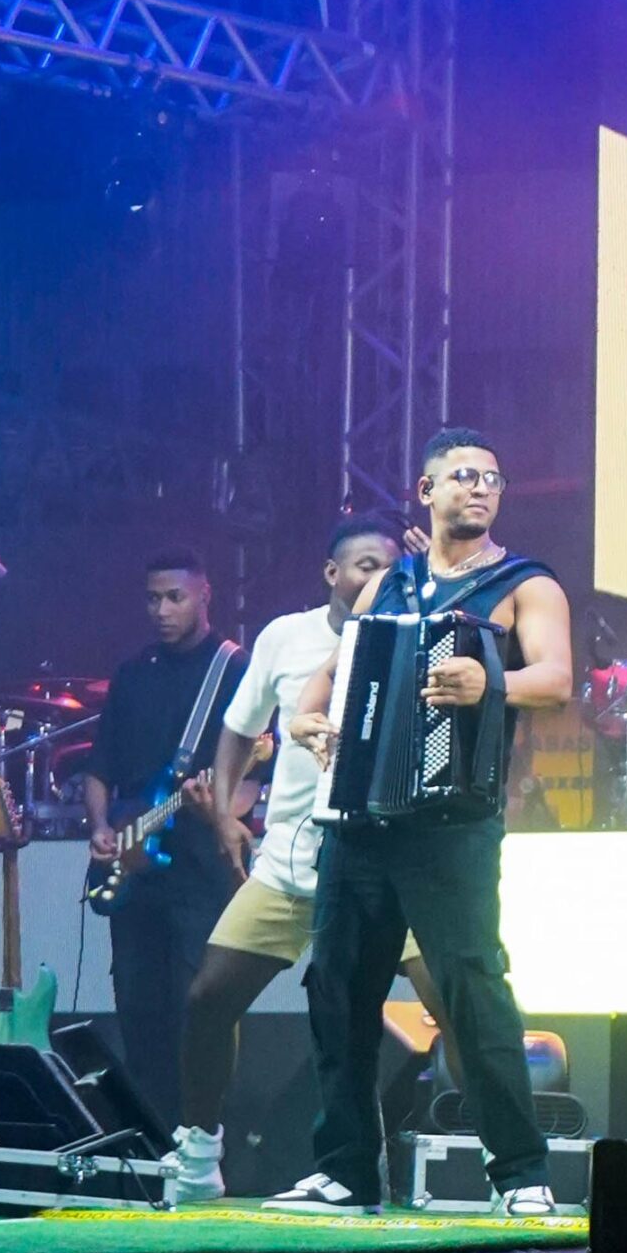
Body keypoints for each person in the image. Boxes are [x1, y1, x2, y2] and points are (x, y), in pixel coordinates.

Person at [275, 428, 572, 1217]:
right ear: (426, 491)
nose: (479, 489)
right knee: (337, 989)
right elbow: (329, 678)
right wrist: (306, 723)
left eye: (492, 479)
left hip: (452, 821)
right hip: (362, 818)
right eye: (463, 476)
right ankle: (345, 1171)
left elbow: (555, 679)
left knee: (473, 990)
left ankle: (519, 1172)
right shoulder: (387, 585)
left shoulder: (523, 584)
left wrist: (488, 679)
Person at [165, 514, 460, 1202]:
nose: (376, 578)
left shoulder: (418, 631)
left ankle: (490, 1161)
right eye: (364, 566)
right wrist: (225, 815)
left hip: (389, 867)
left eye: (388, 567)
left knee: (453, 1001)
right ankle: (199, 1153)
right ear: (331, 573)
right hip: (292, 865)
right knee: (209, 997)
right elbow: (237, 730)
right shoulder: (285, 638)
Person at [83, 550, 249, 1130]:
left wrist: (216, 807)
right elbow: (99, 767)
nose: (162, 609)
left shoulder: (234, 669)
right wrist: (101, 828)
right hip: (133, 872)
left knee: (195, 1007)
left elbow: (255, 779)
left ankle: (200, 1136)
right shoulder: (133, 673)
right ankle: (149, 1137)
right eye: (153, 598)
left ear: (205, 595)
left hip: (199, 871)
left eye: (175, 597)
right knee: (137, 1008)